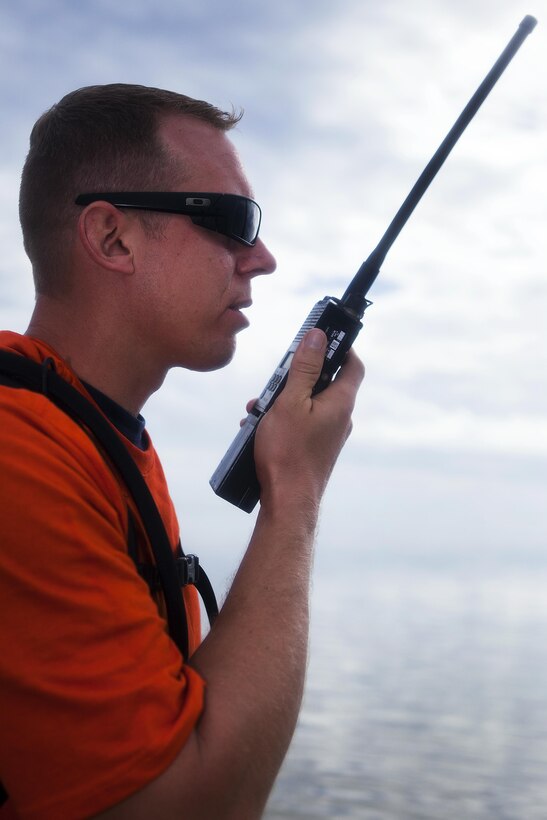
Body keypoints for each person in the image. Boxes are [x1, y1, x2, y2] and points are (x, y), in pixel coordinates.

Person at [0, 84, 364, 819]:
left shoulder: (94, 437)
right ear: (112, 239)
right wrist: (293, 489)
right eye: (233, 222)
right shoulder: (16, 457)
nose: (260, 259)